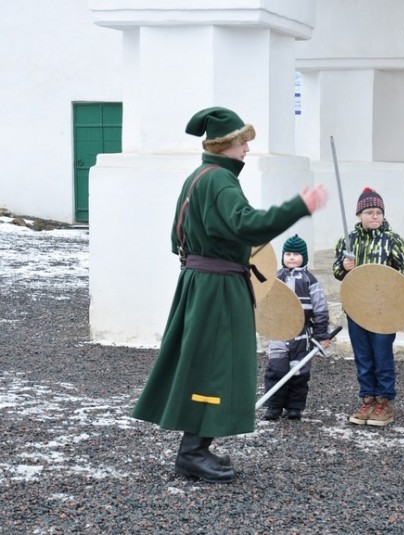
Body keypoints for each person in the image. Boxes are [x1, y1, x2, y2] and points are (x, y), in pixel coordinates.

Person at [131, 107, 328, 484]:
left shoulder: (198, 178)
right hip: (216, 288)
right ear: (225, 145)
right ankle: (191, 452)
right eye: (243, 142)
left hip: (202, 282)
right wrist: (297, 207)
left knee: (204, 361)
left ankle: (197, 448)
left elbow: (178, 240)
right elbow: (247, 226)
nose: (248, 149)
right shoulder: (220, 180)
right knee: (215, 364)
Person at [333, 187, 404, 427]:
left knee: (382, 354)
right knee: (363, 356)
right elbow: (337, 272)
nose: (375, 216)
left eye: (378, 212)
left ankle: (384, 402)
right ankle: (367, 398)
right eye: (369, 212)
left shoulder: (392, 240)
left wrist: (388, 285)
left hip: (384, 310)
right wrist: (344, 267)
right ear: (360, 215)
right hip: (356, 307)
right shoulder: (348, 241)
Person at [261, 235, 330, 422]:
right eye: (288, 254)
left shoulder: (309, 280)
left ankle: (294, 407)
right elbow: (266, 301)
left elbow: (320, 308)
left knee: (299, 373)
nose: (291, 257)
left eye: (296, 254)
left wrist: (321, 333)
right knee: (276, 369)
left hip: (302, 336)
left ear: (304, 257)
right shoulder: (277, 277)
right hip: (279, 333)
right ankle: (274, 406)